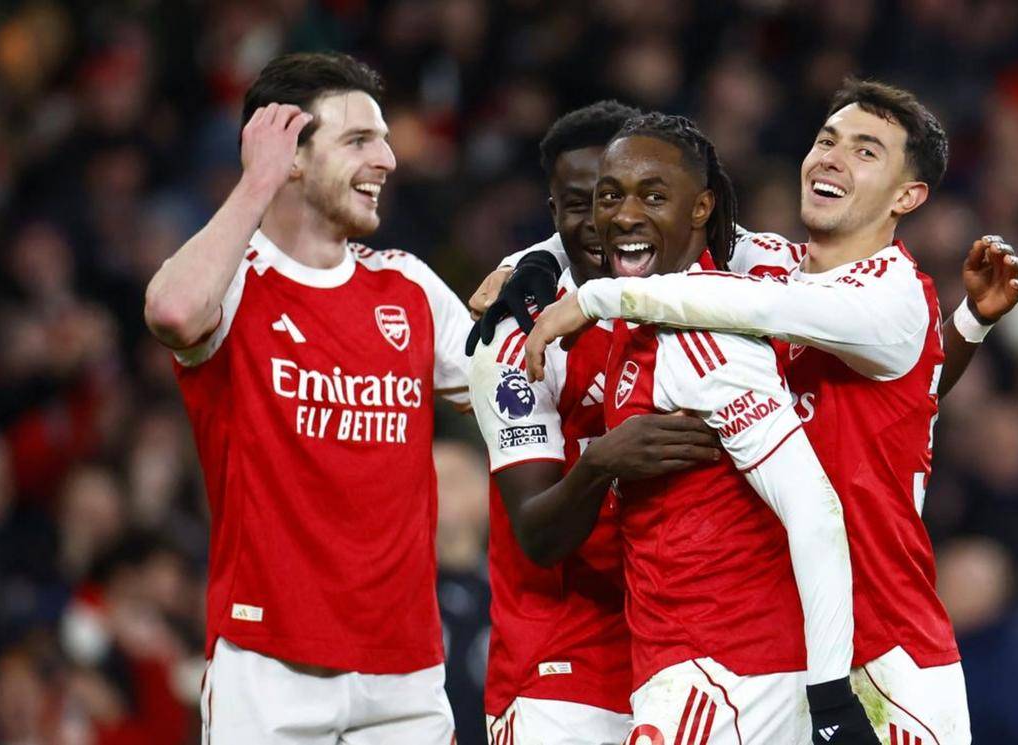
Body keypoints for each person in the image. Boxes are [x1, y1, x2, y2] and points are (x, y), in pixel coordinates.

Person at [526, 80, 1018, 745]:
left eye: (866, 152)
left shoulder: (892, 294)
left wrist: (597, 301)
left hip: (888, 652)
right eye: (827, 140)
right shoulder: (777, 269)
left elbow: (759, 306)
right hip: (796, 651)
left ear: (907, 197)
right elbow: (652, 223)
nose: (833, 158)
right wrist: (529, 266)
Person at [143, 52, 472, 744]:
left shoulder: (409, 287)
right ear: (290, 156)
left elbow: (517, 388)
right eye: (359, 140)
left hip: (406, 672)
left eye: (383, 140)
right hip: (268, 666)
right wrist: (255, 182)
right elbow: (172, 311)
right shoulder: (234, 280)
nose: (386, 159)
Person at [535, 112, 875, 743]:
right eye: (610, 196)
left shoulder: (703, 340)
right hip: (690, 665)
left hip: (729, 676)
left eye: (653, 197)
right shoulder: (644, 318)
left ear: (701, 209)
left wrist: (830, 699)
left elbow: (813, 509)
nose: (624, 215)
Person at [468, 101, 724, 745]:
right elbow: (537, 535)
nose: (610, 220)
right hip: (561, 670)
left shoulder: (702, 305)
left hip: (681, 657)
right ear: (553, 212)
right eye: (582, 204)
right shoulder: (518, 334)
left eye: (635, 195)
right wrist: (602, 461)